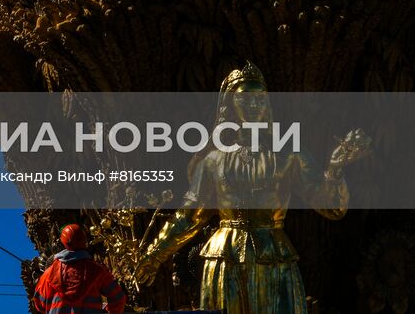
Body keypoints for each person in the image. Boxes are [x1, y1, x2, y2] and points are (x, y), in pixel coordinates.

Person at [132, 63, 369, 314]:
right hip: (225, 259)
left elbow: (331, 208)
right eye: (245, 99)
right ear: (230, 105)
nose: (254, 105)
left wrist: (334, 168)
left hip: (273, 258)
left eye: (260, 99)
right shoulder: (214, 160)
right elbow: (189, 215)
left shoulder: (289, 154)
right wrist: (154, 254)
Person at [33, 224, 126, 314]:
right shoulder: (96, 271)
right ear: (85, 242)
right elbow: (118, 298)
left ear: (64, 242)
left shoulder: (49, 273)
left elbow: (39, 304)